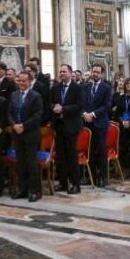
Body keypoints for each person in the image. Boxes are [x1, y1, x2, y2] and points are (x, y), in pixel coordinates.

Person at [9, 71, 43, 202]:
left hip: (30, 134)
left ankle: (34, 191)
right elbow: (9, 113)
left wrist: (23, 125)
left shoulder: (36, 96)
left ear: (29, 82)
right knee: (20, 163)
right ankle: (22, 189)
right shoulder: (14, 95)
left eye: (24, 81)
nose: (21, 83)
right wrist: (14, 125)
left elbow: (37, 115)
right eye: (19, 80)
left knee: (31, 163)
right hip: (17, 134)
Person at [52, 65, 83, 193]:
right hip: (59, 125)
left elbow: (80, 105)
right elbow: (50, 102)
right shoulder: (55, 88)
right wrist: (54, 107)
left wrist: (63, 109)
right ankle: (63, 182)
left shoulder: (78, 88)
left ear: (70, 73)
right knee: (61, 156)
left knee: (71, 155)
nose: (62, 73)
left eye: (64, 71)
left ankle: (75, 184)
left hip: (72, 126)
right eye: (60, 71)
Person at [83, 63, 113, 187]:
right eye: (93, 71)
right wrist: (84, 113)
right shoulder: (85, 87)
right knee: (89, 151)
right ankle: (92, 176)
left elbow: (107, 106)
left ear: (102, 73)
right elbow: (82, 102)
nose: (94, 74)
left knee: (101, 150)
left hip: (100, 122)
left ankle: (102, 177)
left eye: (97, 72)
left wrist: (93, 114)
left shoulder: (106, 87)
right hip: (87, 123)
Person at [112, 77, 130, 178]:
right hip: (123, 127)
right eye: (127, 83)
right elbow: (117, 113)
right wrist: (122, 120)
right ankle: (125, 169)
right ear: (125, 85)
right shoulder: (121, 97)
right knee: (123, 148)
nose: (129, 85)